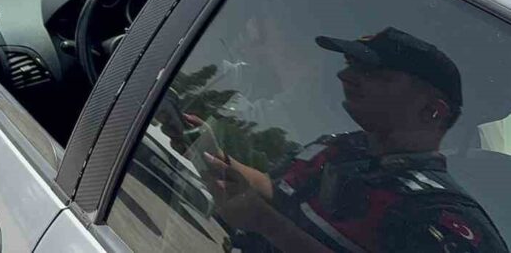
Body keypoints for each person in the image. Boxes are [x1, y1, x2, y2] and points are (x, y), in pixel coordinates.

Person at [182, 28, 506, 253]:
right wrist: (216, 157)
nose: (344, 76)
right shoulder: (340, 148)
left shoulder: (440, 216)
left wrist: (267, 224)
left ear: (432, 111)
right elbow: (280, 191)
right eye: (351, 65)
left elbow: (271, 215)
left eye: (374, 74)